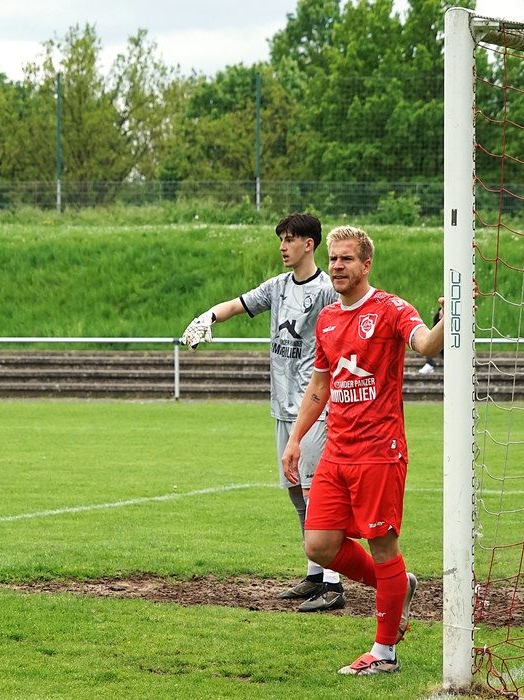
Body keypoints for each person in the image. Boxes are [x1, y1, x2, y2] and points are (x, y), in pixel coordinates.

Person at [281, 226, 444, 675]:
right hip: (337, 450)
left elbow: (426, 344)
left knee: (382, 545)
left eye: (346, 259)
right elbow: (320, 384)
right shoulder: (327, 319)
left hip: (378, 450)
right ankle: (399, 585)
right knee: (319, 545)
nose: (337, 266)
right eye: (333, 258)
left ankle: (384, 654)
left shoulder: (391, 309)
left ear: (366, 264)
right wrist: (295, 439)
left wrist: (450, 317)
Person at [180, 213, 345, 612]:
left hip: (314, 408)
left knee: (318, 493)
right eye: (281, 239)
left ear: (309, 244)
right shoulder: (277, 286)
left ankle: (334, 583)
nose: (283, 247)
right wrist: (207, 317)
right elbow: (237, 304)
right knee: (295, 491)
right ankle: (314, 573)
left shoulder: (326, 290)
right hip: (281, 407)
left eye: (290, 239)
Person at [418, 307, 444, 374]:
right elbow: (433, 334)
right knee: (430, 344)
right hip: (441, 344)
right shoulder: (437, 317)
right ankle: (429, 364)